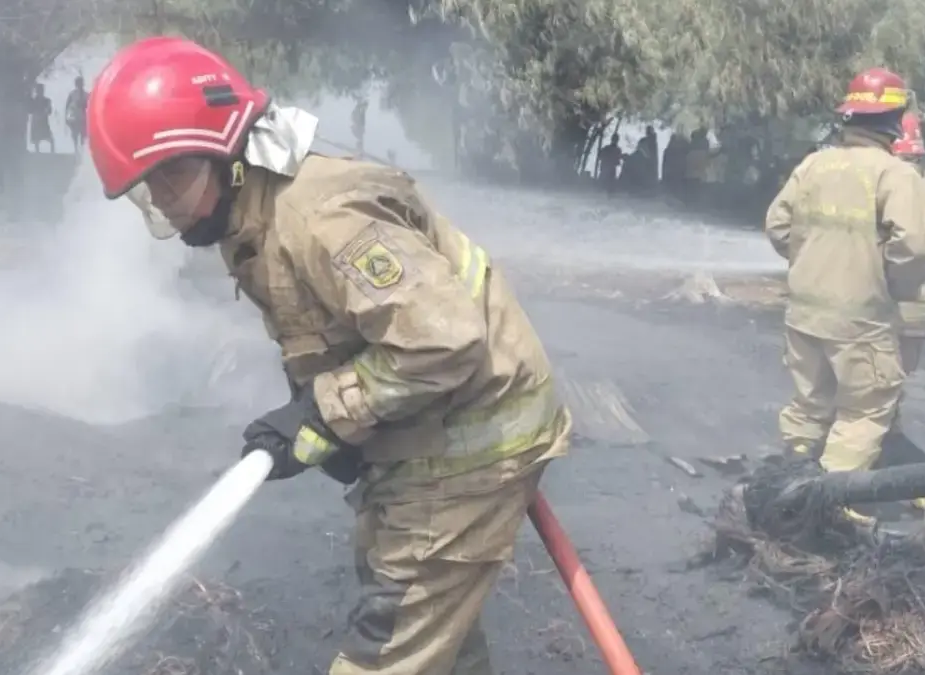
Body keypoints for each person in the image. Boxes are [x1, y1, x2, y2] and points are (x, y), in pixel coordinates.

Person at [86, 37, 571, 674]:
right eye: (151, 192)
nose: (168, 209)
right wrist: (315, 414)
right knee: (431, 641)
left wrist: (327, 410)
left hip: (468, 446)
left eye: (173, 179)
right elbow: (342, 330)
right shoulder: (252, 218)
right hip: (428, 433)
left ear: (226, 152)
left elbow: (444, 337)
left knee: (385, 644)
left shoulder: (319, 216)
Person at [765, 67, 925, 521]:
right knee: (865, 412)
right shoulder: (896, 176)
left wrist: (815, 264)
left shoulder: (813, 164)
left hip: (803, 316)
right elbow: (916, 247)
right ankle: (824, 505)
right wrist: (891, 283)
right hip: (861, 318)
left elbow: (778, 227)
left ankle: (789, 479)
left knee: (810, 404)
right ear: (897, 118)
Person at [883, 111, 925, 498]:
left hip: (883, 305)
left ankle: (880, 451)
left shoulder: (883, 187)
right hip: (915, 307)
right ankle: (887, 439)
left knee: (874, 384)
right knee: (894, 380)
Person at [65, 76, 90, 151]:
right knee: (75, 135)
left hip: (83, 118)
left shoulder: (86, 94)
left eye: (81, 83)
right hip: (74, 118)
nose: (80, 85)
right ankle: (76, 149)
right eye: (78, 83)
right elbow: (67, 106)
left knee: (83, 136)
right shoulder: (72, 94)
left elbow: (89, 106)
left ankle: (82, 150)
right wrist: (66, 117)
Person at [29, 83, 54, 153]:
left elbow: (49, 111)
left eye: (42, 90)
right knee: (36, 139)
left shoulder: (47, 100)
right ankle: (37, 153)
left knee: (50, 139)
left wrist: (46, 110)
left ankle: (52, 153)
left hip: (43, 121)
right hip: (36, 121)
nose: (40, 91)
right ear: (37, 91)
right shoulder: (33, 100)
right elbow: (30, 110)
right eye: (39, 90)